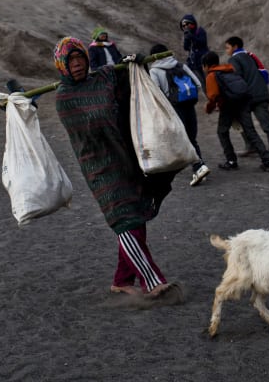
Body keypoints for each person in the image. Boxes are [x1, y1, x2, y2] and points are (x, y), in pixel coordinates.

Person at [54, 37, 179, 299]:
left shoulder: (102, 79)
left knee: (136, 217)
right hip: (99, 166)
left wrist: (131, 68)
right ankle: (152, 281)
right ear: (62, 66)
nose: (77, 65)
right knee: (124, 220)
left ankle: (122, 281)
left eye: (80, 59)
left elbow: (123, 95)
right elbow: (97, 118)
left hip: (124, 157)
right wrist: (111, 84)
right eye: (71, 61)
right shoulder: (65, 97)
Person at [147, 43, 210, 187]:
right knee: (191, 137)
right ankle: (197, 165)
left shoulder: (155, 70)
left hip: (174, 108)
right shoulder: (180, 65)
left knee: (181, 138)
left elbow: (156, 92)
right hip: (189, 105)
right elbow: (198, 84)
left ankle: (198, 166)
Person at [201, 52, 269, 172]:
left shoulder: (211, 75)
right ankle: (267, 160)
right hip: (243, 102)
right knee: (250, 130)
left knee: (222, 132)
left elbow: (213, 96)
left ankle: (231, 160)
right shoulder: (229, 70)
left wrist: (209, 108)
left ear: (206, 66)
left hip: (229, 105)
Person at [225, 37, 269, 160]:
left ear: (235, 47)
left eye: (228, 47)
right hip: (261, 94)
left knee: (242, 122)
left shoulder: (234, 59)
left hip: (247, 97)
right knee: (267, 124)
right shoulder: (251, 56)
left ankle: (251, 146)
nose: (226, 50)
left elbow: (237, 79)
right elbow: (262, 73)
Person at [180, 14, 209, 85]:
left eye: (187, 24)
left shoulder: (200, 31)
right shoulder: (187, 34)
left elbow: (203, 42)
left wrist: (192, 37)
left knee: (209, 80)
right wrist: (187, 39)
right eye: (183, 26)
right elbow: (186, 48)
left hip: (204, 61)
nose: (186, 27)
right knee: (202, 83)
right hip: (194, 64)